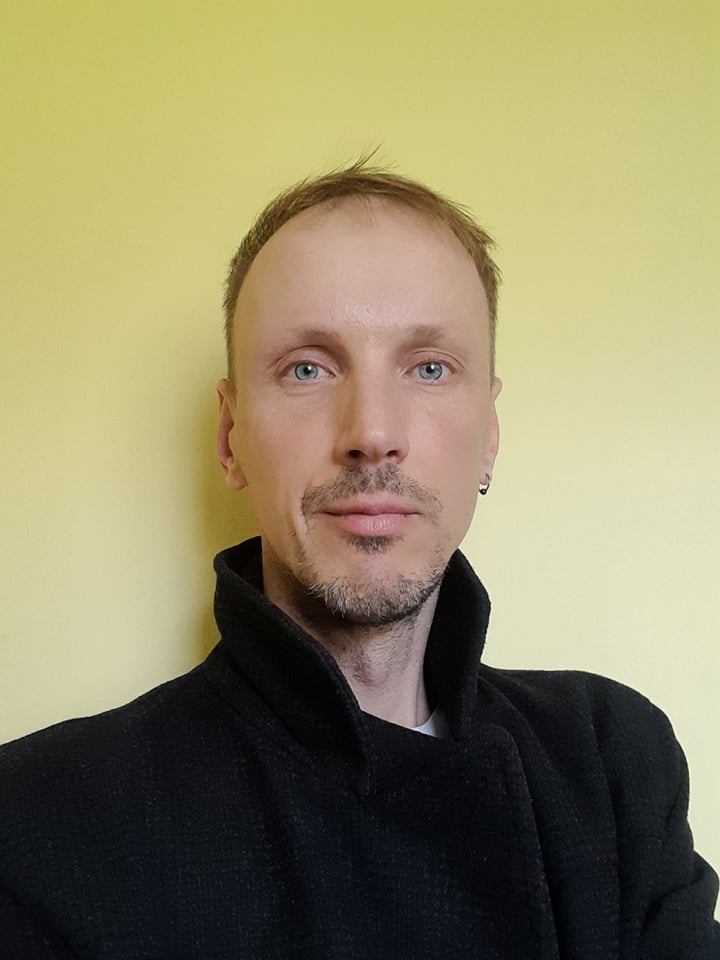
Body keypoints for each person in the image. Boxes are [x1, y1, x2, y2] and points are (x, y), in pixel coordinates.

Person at [1, 161, 718, 959]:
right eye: (307, 368)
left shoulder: (612, 762)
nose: (372, 432)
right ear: (230, 437)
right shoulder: (36, 823)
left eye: (429, 367)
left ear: (488, 435)